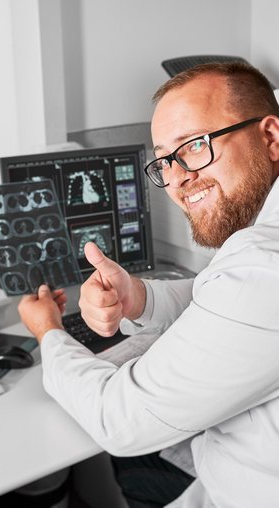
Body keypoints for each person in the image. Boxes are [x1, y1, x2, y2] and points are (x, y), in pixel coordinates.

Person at [18, 62, 279, 508]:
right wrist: (141, 297)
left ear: (271, 137)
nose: (176, 178)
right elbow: (225, 293)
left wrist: (49, 333)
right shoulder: (257, 249)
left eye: (195, 146)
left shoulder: (264, 266)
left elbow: (118, 420)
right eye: (165, 160)